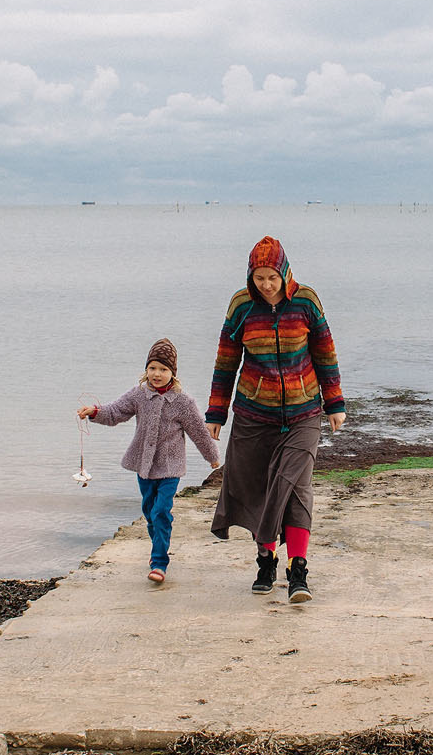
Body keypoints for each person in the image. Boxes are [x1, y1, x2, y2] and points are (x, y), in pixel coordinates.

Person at [207, 236, 346, 602]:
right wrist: (216, 412)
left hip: (304, 412)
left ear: (285, 272)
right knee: (259, 488)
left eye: (272, 277)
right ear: (250, 277)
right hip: (254, 415)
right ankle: (266, 558)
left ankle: (297, 568)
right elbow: (226, 361)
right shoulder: (240, 306)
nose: (266, 285)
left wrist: (334, 403)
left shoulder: (306, 301)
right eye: (259, 278)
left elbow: (325, 352)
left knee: (295, 487)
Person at [79, 339, 220, 585]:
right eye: (153, 368)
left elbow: (199, 431)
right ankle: (159, 548)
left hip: (170, 468)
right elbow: (115, 412)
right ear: (146, 369)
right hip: (143, 466)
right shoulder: (138, 395)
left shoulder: (183, 403)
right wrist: (94, 411)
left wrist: (213, 457)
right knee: (149, 513)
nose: (157, 374)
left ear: (172, 373)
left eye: (163, 369)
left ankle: (159, 562)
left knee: (161, 511)